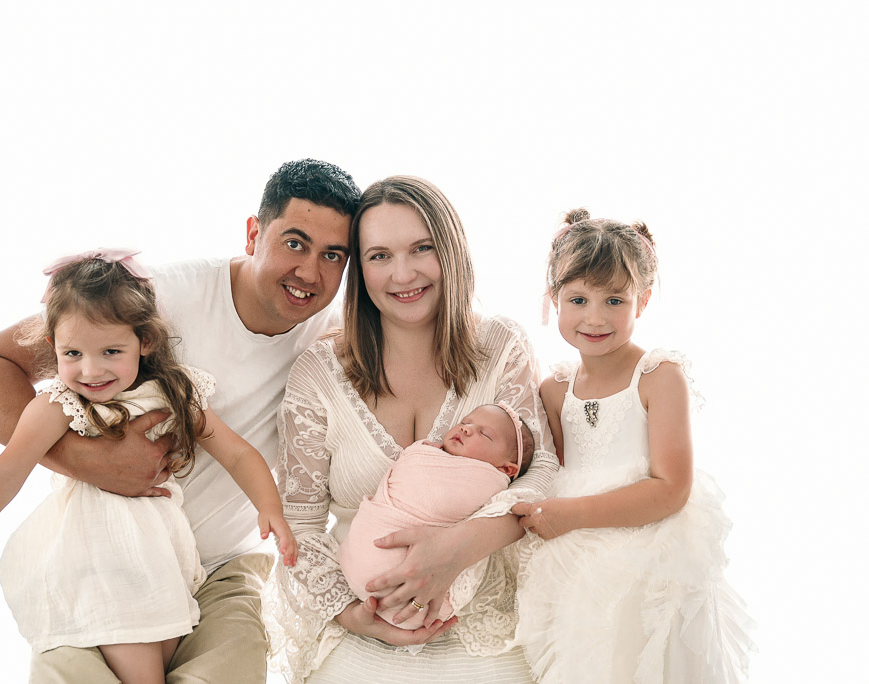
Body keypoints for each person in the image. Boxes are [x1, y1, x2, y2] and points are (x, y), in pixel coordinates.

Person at [0, 159, 361, 683]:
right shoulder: (155, 299)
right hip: (105, 561)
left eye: (333, 255)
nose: (310, 272)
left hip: (222, 569)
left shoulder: (333, 340)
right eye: (294, 243)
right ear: (253, 234)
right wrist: (87, 460)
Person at [0, 252, 298, 684]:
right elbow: (3, 474)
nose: (91, 371)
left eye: (111, 351)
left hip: (164, 566)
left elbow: (237, 453)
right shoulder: (58, 407)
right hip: (104, 569)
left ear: (144, 341)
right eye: (72, 353)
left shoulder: (171, 393)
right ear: (50, 346)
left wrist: (269, 508)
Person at [263, 176, 560, 683]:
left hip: (482, 620)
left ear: (451, 252)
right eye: (379, 256)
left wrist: (458, 549)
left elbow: (542, 474)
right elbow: (301, 527)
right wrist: (350, 614)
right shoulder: (319, 371)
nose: (403, 274)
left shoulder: (499, 344)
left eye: (422, 248)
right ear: (361, 270)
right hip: (361, 618)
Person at [511, 209, 754, 683]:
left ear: (641, 302)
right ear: (553, 299)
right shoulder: (555, 390)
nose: (595, 317)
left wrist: (573, 515)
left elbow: (670, 488)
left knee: (635, 653)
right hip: (572, 557)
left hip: (646, 549)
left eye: (614, 300)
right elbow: (551, 470)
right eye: (578, 299)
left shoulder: (659, 378)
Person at [339, 402, 535, 630]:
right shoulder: (430, 455)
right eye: (465, 422)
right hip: (356, 567)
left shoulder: (487, 480)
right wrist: (422, 452)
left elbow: (445, 500)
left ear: (506, 470)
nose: (466, 429)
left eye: (484, 433)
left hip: (418, 593)